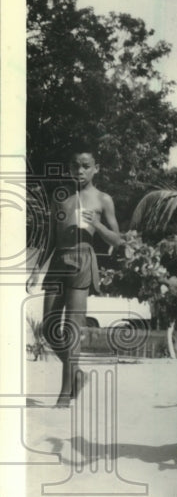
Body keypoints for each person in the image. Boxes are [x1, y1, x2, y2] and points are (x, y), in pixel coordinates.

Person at [28, 143, 123, 407]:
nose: (79, 171)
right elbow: (50, 237)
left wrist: (97, 225)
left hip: (82, 260)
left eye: (85, 166)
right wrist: (37, 268)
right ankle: (77, 376)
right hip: (58, 261)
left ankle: (64, 395)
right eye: (75, 166)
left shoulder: (104, 199)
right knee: (48, 328)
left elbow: (117, 239)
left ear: (96, 169)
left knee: (71, 331)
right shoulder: (60, 197)